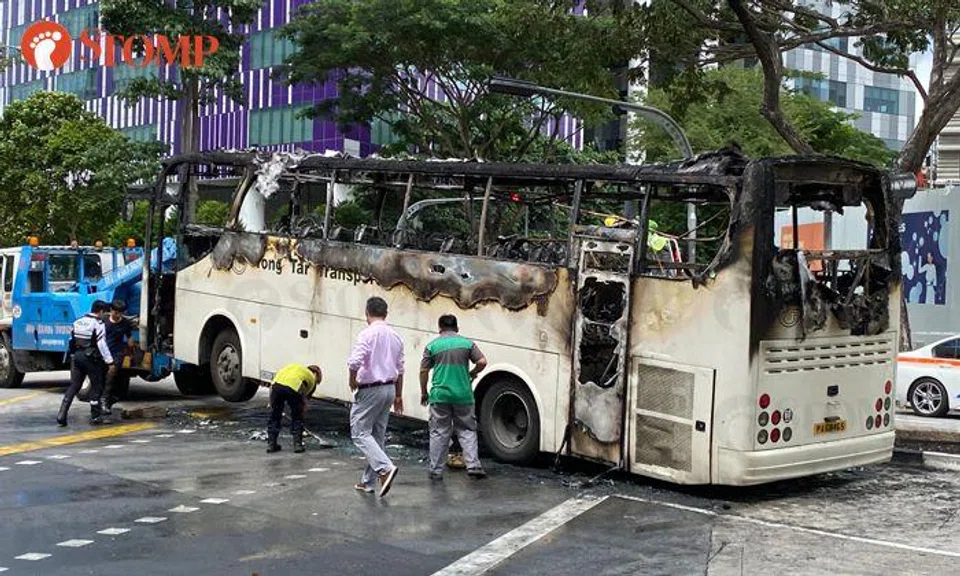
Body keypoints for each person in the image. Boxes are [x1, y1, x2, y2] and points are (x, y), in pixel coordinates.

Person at [347, 296, 404, 497]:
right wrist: (398, 395)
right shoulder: (396, 336)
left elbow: (354, 362)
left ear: (366, 313)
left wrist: (352, 380)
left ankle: (385, 469)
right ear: (386, 314)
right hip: (389, 388)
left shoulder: (367, 334)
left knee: (359, 432)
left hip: (370, 389)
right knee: (376, 435)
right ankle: (367, 481)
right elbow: (400, 368)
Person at [420, 314, 488, 480]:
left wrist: (424, 392)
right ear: (457, 328)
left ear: (440, 329)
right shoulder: (467, 344)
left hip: (440, 396)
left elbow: (423, 371)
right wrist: (471, 373)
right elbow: (482, 362)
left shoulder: (432, 346)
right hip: (463, 395)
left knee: (439, 432)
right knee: (467, 430)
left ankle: (436, 470)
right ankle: (473, 465)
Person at [57, 300, 114, 426]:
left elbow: (71, 340)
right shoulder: (98, 324)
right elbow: (101, 344)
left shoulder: (77, 321)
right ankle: (95, 416)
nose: (105, 315)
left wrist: (73, 355)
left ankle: (62, 414)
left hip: (77, 356)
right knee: (96, 386)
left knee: (74, 385)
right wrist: (110, 361)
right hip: (92, 358)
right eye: (105, 312)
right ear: (100, 311)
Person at [267, 363, 322, 454]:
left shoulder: (295, 368)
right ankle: (297, 445)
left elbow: (272, 385)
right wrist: (301, 411)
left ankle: (271, 444)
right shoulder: (311, 378)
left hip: (276, 386)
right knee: (297, 417)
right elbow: (304, 400)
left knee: (275, 416)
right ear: (316, 373)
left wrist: (271, 402)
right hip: (294, 387)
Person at [101, 299, 135, 415]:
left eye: (120, 313)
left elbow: (129, 339)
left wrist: (130, 353)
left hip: (117, 353)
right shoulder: (103, 321)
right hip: (103, 352)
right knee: (102, 378)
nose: (118, 316)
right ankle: (103, 400)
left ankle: (106, 401)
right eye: (116, 313)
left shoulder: (125, 323)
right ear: (111, 310)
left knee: (112, 375)